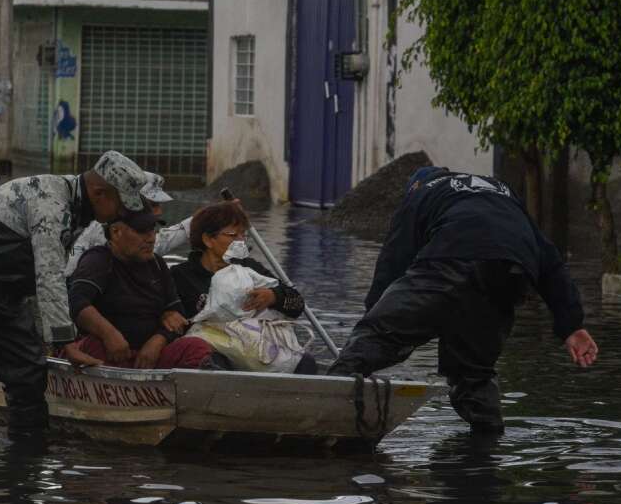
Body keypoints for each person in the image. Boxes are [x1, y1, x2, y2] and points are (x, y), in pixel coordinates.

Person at [327, 167, 599, 435]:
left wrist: (375, 316)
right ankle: (486, 454)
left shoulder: (421, 193)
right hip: (510, 273)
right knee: (473, 376)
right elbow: (550, 262)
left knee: (377, 337)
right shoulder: (501, 192)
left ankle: (324, 406)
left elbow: (393, 260)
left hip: (450, 259)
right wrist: (571, 326)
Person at [0, 151, 149, 445]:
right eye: (121, 204)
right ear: (99, 193)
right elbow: (49, 276)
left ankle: (26, 465)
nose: (123, 213)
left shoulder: (79, 206)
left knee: (29, 375)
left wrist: (44, 335)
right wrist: (65, 341)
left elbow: (40, 278)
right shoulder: (51, 204)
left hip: (5, 291)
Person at [170, 202, 315, 374]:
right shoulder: (181, 276)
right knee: (212, 362)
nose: (240, 241)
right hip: (214, 348)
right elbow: (172, 322)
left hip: (255, 348)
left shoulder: (249, 268)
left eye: (243, 235)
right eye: (233, 235)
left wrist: (273, 296)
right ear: (208, 239)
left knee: (305, 362)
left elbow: (297, 304)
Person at [69, 210, 213, 369]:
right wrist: (109, 334)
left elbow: (177, 315)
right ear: (116, 232)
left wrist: (158, 340)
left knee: (197, 347)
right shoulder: (98, 260)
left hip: (150, 357)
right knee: (93, 346)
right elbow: (77, 302)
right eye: (141, 231)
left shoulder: (157, 264)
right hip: (110, 353)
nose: (151, 238)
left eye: (152, 230)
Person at [64, 172, 191, 276]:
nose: (159, 212)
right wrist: (192, 224)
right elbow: (154, 246)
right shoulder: (106, 226)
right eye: (153, 205)